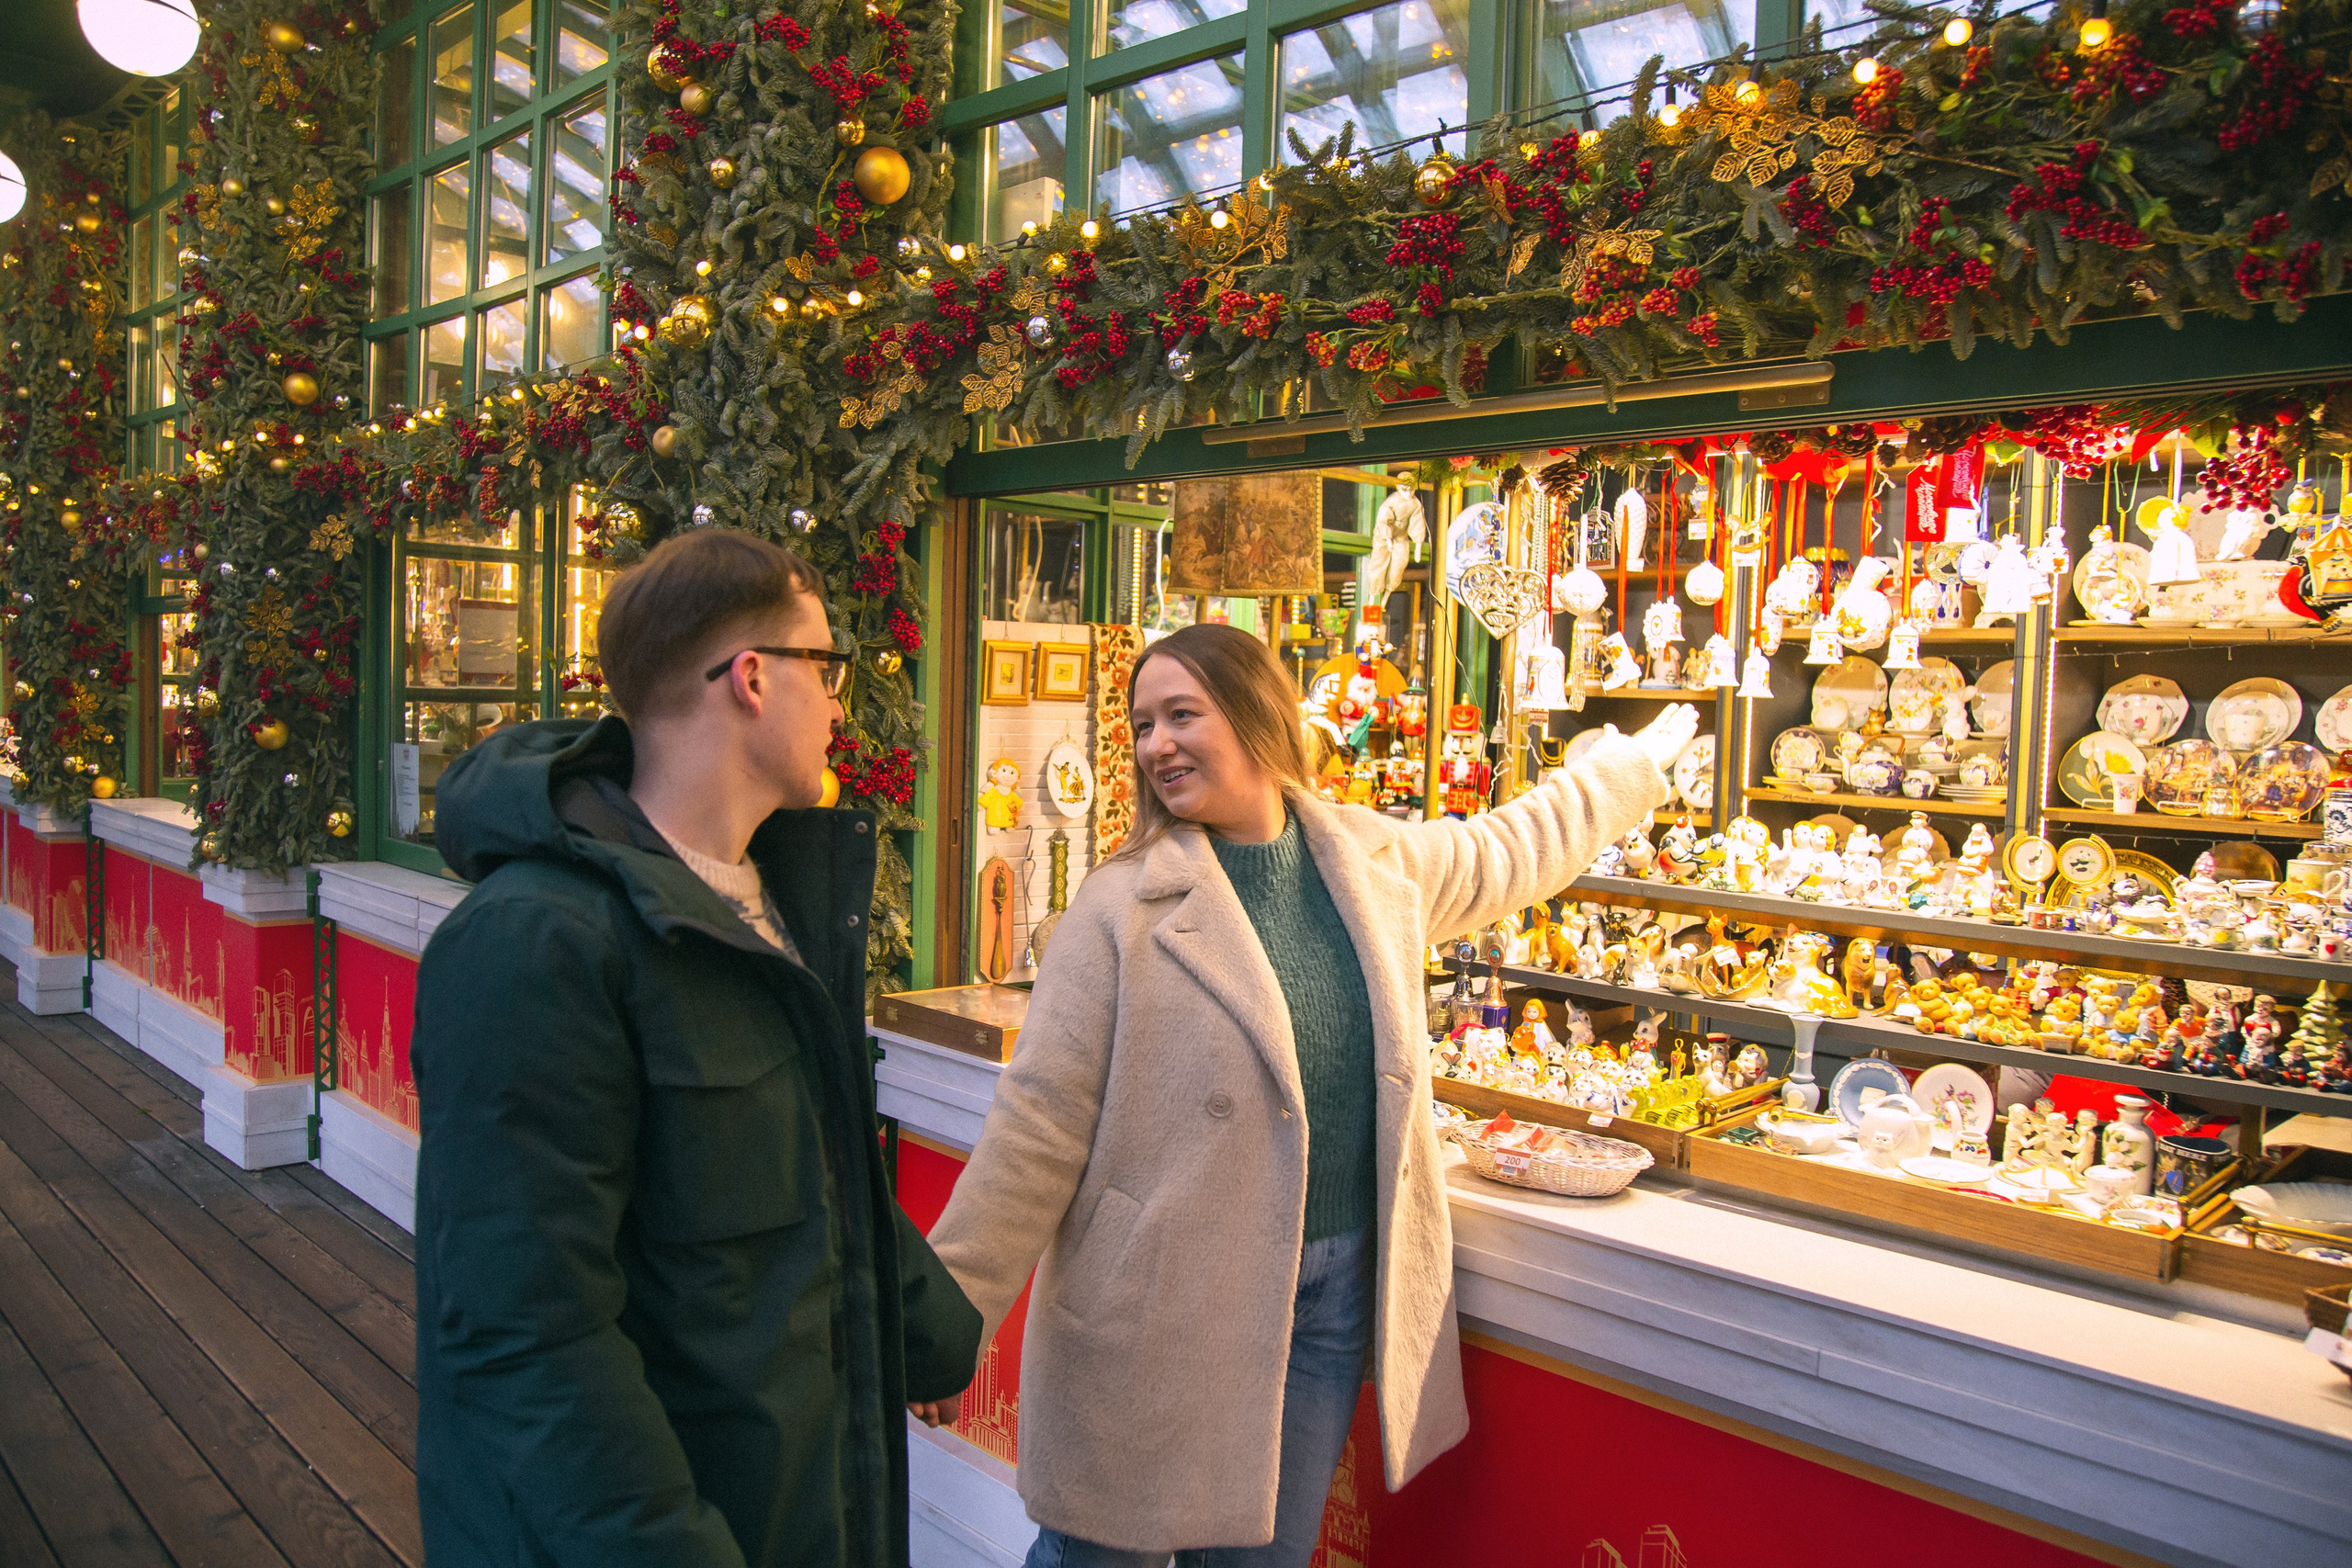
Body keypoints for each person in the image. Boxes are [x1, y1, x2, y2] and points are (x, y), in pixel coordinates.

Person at [925, 623, 1691, 1567]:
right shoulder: (1117, 909)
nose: (1157, 743)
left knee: (1264, 1560)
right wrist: (947, 1314)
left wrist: (1626, 770)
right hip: (1155, 1302)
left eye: (1181, 715)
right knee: (1100, 1555)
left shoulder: (1370, 864)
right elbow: (1036, 1125)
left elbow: (1509, 850)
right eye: (1142, 724)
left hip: (1324, 1299)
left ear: (1255, 716)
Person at [411, 528, 981, 1568]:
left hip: (794, 1494)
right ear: (753, 678)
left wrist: (920, 1333)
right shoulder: (536, 939)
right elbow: (525, 1330)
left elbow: (811, 1159)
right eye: (828, 667)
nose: (842, 703)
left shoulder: (765, 900)